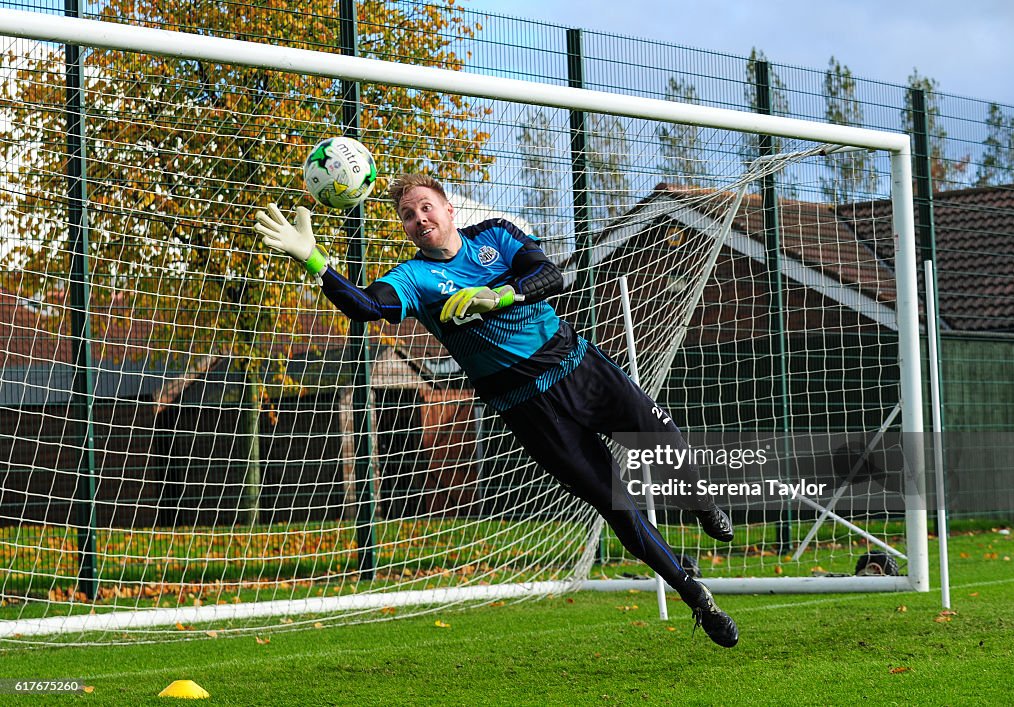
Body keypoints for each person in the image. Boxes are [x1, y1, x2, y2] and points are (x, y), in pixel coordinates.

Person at [253, 174, 739, 648]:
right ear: (404, 228)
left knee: (668, 447)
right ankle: (694, 594)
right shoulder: (414, 278)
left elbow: (551, 275)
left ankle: (701, 504)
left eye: (426, 206)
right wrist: (313, 259)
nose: (419, 218)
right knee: (618, 509)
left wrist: (501, 294)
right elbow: (363, 306)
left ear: (448, 209)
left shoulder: (496, 235)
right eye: (407, 215)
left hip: (578, 368)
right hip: (528, 409)